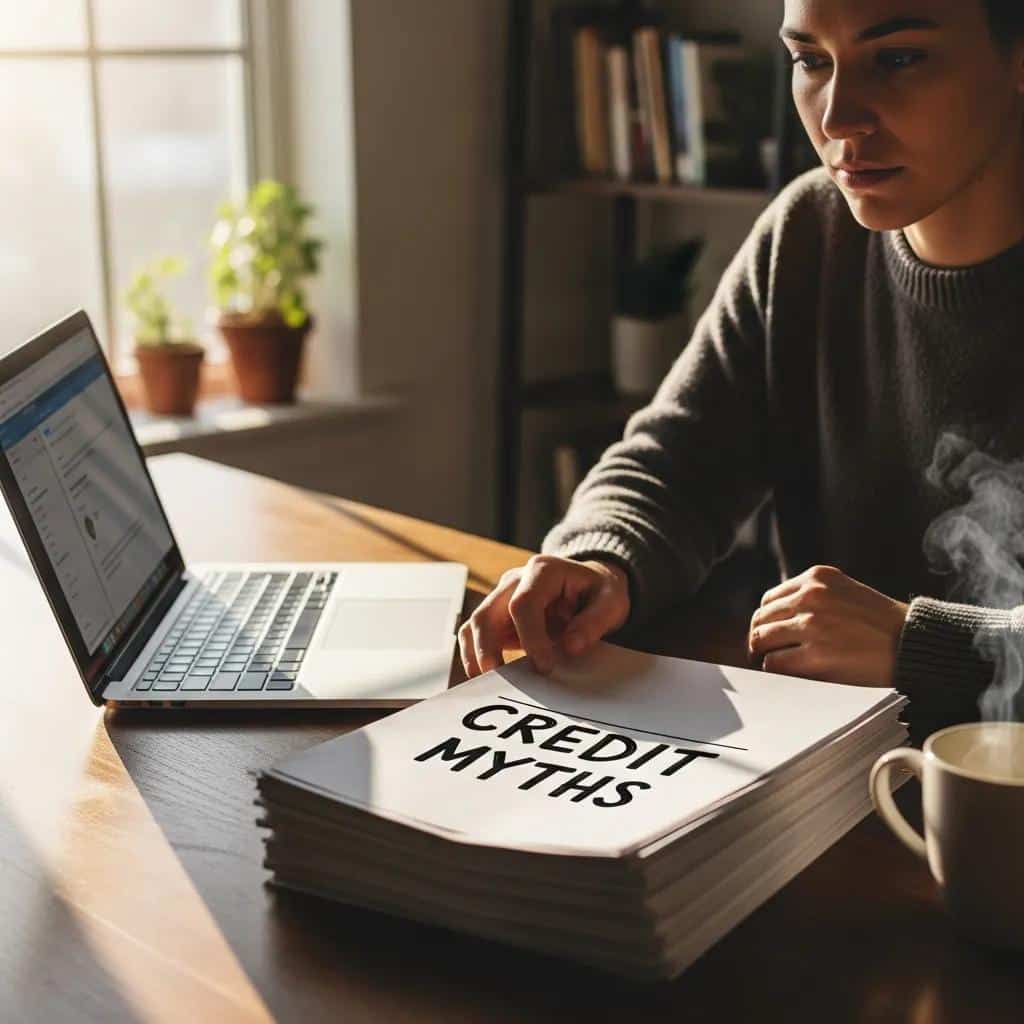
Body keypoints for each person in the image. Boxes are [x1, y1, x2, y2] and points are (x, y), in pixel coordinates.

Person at [460, 0, 1024, 738]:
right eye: (811, 62)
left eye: (897, 59)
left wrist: (919, 646)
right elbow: (673, 466)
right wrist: (601, 560)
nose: (837, 118)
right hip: (833, 771)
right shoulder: (807, 235)